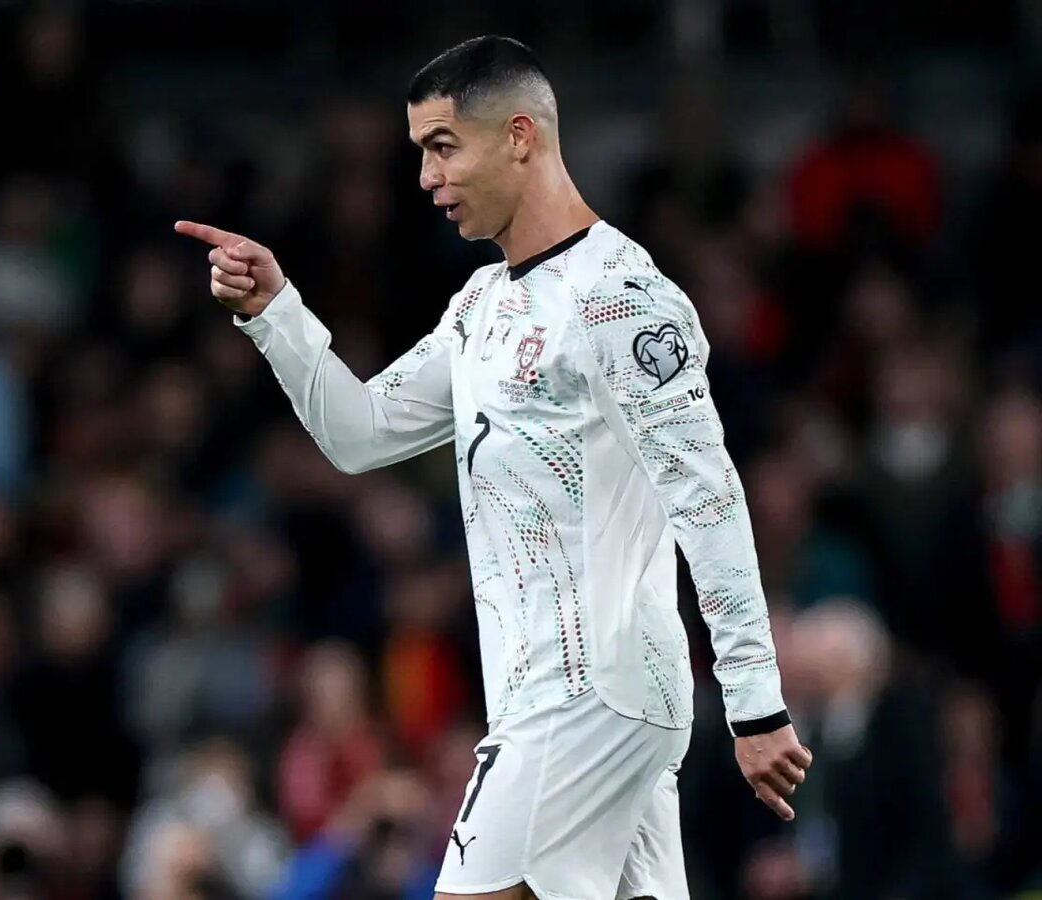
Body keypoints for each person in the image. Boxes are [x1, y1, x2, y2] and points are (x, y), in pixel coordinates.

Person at [177, 35, 811, 900]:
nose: (426, 178)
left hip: (585, 697)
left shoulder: (620, 300)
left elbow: (709, 500)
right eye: (420, 153)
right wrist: (276, 313)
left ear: (519, 136)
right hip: (578, 704)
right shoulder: (482, 307)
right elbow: (362, 433)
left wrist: (755, 700)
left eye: (443, 147)